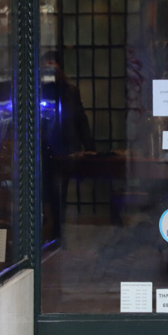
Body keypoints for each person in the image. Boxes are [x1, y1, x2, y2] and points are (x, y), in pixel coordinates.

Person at [40, 50, 95, 242]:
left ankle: (57, 233)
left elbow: (80, 119)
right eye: (47, 66)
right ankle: (48, 231)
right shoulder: (38, 90)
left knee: (59, 192)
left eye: (54, 66)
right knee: (44, 191)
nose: (51, 70)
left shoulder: (70, 91)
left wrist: (89, 147)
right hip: (42, 149)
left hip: (65, 150)